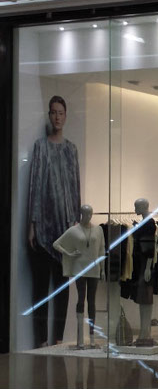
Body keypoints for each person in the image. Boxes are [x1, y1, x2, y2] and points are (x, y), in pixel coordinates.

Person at [27, 95, 81, 347]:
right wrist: (32, 225)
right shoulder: (40, 147)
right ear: (49, 115)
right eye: (53, 112)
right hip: (43, 226)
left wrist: (76, 224)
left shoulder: (71, 150)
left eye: (61, 113)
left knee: (62, 287)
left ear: (65, 116)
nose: (57, 117)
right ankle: (41, 340)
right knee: (40, 287)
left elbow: (75, 186)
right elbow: (35, 186)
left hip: (65, 228)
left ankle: (58, 339)